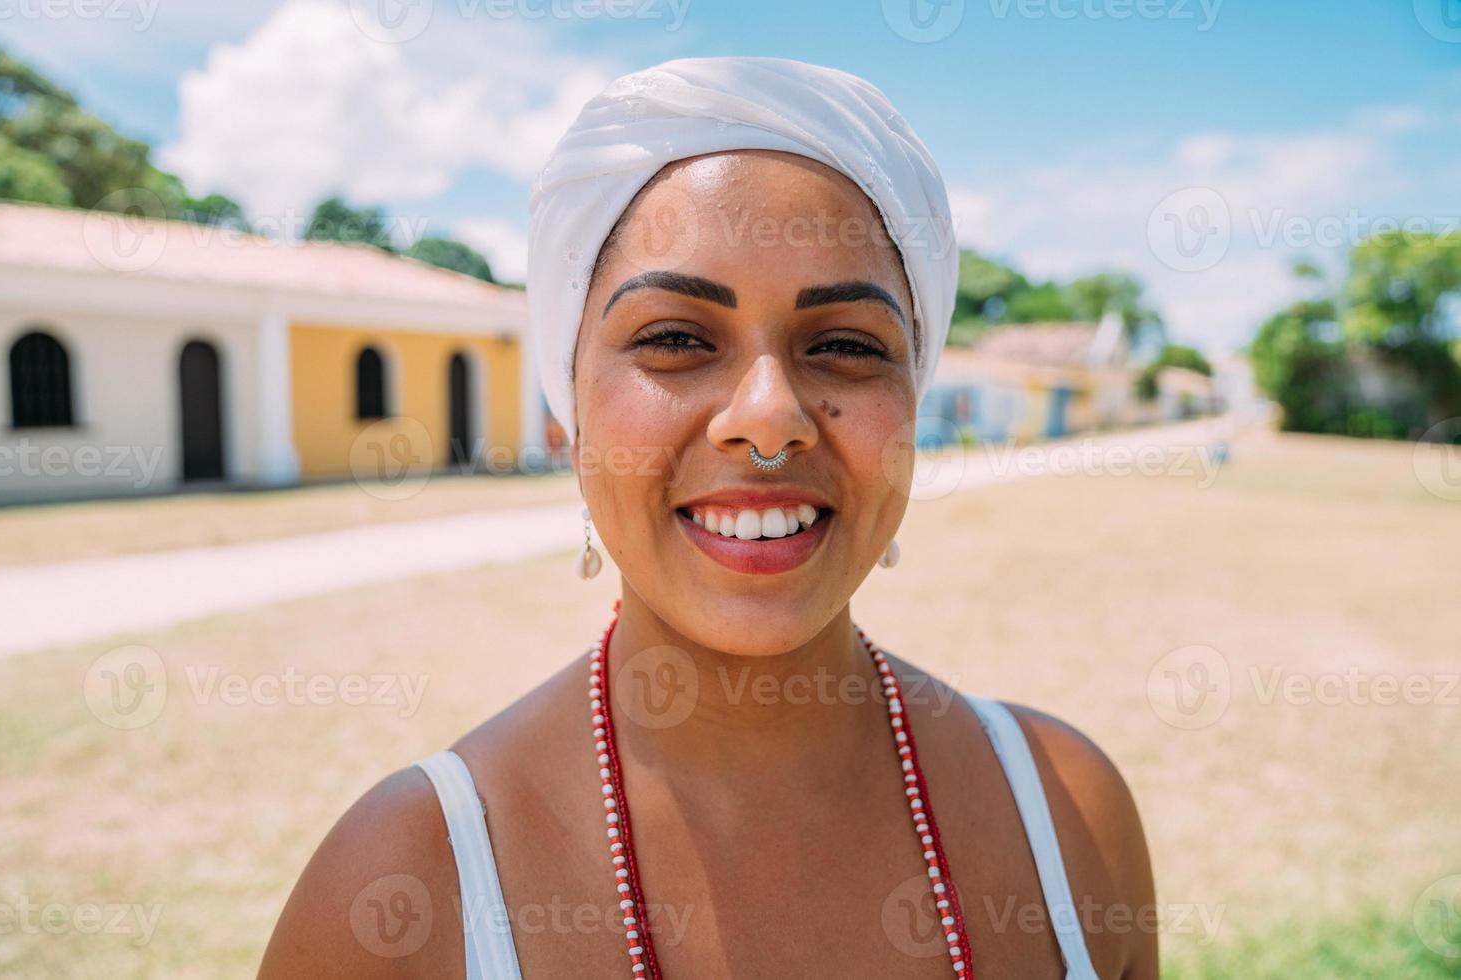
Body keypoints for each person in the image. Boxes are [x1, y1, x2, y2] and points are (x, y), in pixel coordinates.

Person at [258, 56, 1157, 979]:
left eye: (846, 345)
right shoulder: (400, 888)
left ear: (915, 400)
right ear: (568, 408)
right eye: (676, 339)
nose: (769, 418)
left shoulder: (1069, 816)